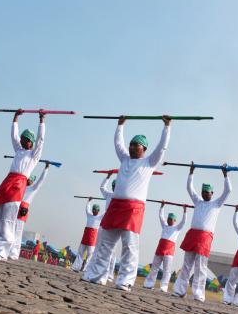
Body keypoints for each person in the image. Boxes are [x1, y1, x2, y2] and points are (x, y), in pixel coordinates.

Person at [83, 115, 171, 291]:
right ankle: (96, 276)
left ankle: (125, 280)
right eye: (130, 144)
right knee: (105, 243)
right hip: (115, 206)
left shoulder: (149, 162)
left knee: (129, 246)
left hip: (133, 209)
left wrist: (166, 127)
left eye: (135, 145)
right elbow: (118, 144)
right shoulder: (124, 159)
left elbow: (161, 149)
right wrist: (120, 125)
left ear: (144, 148)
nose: (131, 147)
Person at [0, 109, 45, 261]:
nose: (22, 140)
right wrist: (15, 118)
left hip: (19, 185)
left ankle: (2, 251)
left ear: (31, 142)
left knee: (8, 219)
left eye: (26, 139)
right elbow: (13, 136)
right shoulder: (19, 150)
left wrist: (41, 121)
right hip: (7, 182)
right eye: (22, 138)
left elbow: (41, 141)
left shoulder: (33, 155)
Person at [173, 163, 231, 302]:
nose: (205, 193)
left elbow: (228, 191)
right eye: (203, 191)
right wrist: (191, 172)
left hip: (205, 238)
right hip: (193, 235)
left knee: (200, 267)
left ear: (212, 193)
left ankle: (198, 293)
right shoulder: (197, 201)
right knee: (187, 264)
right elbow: (189, 188)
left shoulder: (217, 204)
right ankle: (179, 290)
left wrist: (225, 175)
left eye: (208, 192)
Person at [8, 162, 49, 260]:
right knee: (10, 230)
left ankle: (14, 253)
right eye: (29, 179)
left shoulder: (33, 188)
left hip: (23, 211)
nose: (29, 181)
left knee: (18, 232)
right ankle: (8, 250)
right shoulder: (22, 186)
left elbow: (41, 181)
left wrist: (46, 169)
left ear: (33, 181)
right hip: (15, 208)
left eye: (31, 180)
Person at [143, 202, 187, 292]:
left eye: (171, 219)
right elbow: (161, 217)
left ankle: (164, 287)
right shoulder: (164, 225)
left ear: (174, 220)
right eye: (168, 218)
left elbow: (183, 222)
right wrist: (162, 207)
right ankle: (149, 284)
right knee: (154, 267)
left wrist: (185, 211)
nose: (169, 220)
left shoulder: (177, 228)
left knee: (167, 270)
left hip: (169, 251)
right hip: (160, 249)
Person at [72, 199, 104, 272]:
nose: (94, 211)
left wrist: (110, 200)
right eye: (93, 209)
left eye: (95, 210)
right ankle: (76, 267)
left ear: (98, 211)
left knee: (90, 255)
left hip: (92, 240)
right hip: (85, 238)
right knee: (80, 253)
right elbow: (87, 209)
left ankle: (86, 269)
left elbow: (106, 211)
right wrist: (89, 201)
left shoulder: (100, 217)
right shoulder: (89, 215)